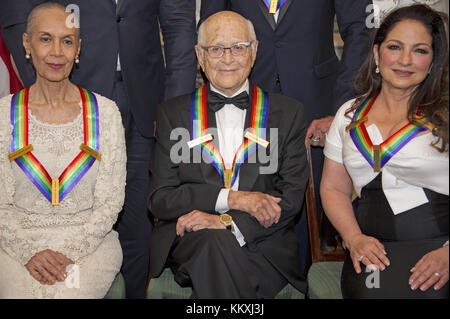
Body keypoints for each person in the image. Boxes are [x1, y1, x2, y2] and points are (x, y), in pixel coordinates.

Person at [0, 0, 197, 298]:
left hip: (145, 102)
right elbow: (17, 13)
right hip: (68, 87)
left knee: (136, 224)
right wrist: (47, 81)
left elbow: (179, 22)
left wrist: (175, 107)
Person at [200, 0, 373, 273]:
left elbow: (360, 31)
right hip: (244, 101)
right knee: (246, 201)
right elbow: (209, 30)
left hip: (316, 106)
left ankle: (302, 283)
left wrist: (341, 111)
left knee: (308, 215)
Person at [148, 11, 308, 298]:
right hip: (192, 242)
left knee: (219, 252)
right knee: (213, 244)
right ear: (199, 55)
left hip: (263, 243)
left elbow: (291, 199)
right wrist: (232, 200)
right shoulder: (172, 115)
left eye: (238, 47)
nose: (228, 58)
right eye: (216, 49)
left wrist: (226, 222)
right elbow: (161, 199)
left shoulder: (289, 113)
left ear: (254, 51)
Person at [321, 4, 449, 298]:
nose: (405, 60)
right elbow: (333, 189)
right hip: (371, 253)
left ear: (433, 60)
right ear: (377, 54)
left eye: (420, 50)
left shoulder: (444, 114)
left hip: (441, 250)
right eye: (395, 47)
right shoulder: (348, 116)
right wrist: (353, 239)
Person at [0, 3, 126, 298]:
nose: (57, 51)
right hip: (16, 244)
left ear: (78, 48)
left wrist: (66, 253)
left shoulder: (106, 113)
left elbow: (109, 204)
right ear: (26, 43)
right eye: (45, 39)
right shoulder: (3, 114)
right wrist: (30, 252)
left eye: (67, 41)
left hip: (89, 246)